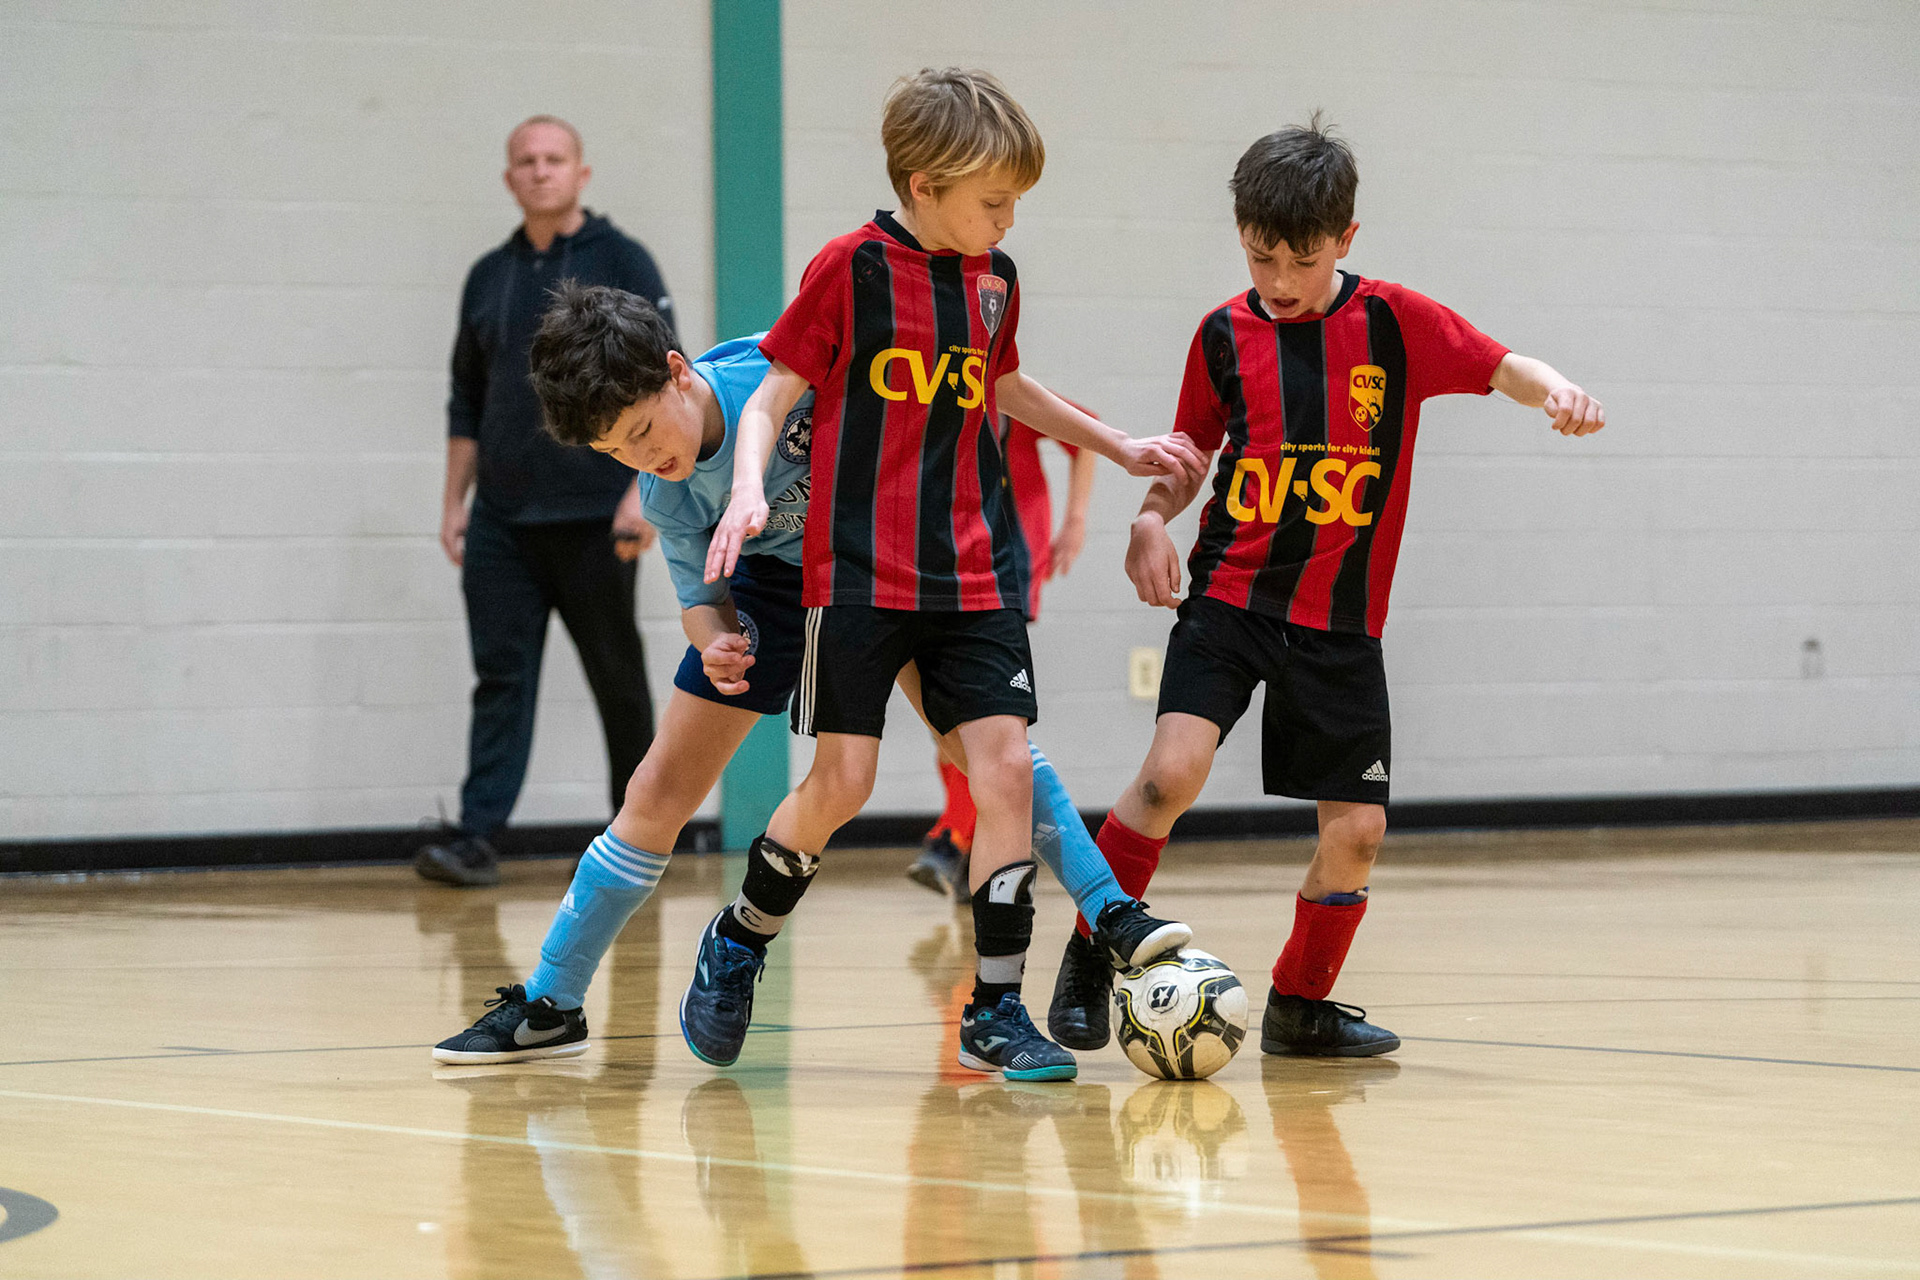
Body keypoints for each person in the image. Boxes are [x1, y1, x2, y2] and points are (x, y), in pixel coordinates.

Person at [429, 282, 1191, 1066]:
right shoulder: (665, 492)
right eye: (616, 450)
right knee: (658, 792)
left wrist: (1113, 445)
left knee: (988, 753)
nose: (642, 456)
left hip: (878, 563)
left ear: (678, 372)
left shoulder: (781, 369)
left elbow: (991, 384)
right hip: (771, 584)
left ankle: (1107, 908)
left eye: (644, 430)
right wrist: (716, 641)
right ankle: (553, 1000)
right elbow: (701, 600)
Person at [1045, 113, 1608, 1058]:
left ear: (1345, 239)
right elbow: (1187, 458)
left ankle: (1300, 1008)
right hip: (1231, 597)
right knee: (1168, 776)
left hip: (1341, 623)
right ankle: (1090, 957)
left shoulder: (1395, 324)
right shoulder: (1222, 335)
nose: (1278, 280)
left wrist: (1558, 391)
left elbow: (1505, 365)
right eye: (1260, 256)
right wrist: (1148, 519)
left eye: (1300, 261)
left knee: (1357, 833)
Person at [698, 67, 1208, 1083]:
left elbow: (1003, 382)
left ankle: (995, 1007)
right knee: (842, 785)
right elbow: (772, 395)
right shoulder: (849, 268)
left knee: (1004, 768)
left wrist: (1115, 444)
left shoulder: (994, 278)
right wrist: (748, 485)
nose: (1008, 219)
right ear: (924, 186)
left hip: (972, 575)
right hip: (857, 574)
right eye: (994, 200)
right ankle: (741, 936)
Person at [416, 115, 674, 888]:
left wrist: (643, 493)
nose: (540, 170)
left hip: (598, 519)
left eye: (554, 158)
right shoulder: (488, 277)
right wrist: (454, 502)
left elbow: (667, 384)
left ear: (580, 173)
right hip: (502, 521)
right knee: (500, 678)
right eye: (526, 161)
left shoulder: (622, 260)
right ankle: (477, 837)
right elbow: (466, 397)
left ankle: (637, 838)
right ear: (510, 179)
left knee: (617, 679)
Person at [908, 414, 1095, 899]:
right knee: (951, 723)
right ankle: (975, 849)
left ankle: (952, 837)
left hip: (1008, 567)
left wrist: (1075, 521)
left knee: (977, 719)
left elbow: (1088, 435)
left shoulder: (1012, 398)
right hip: (950, 566)